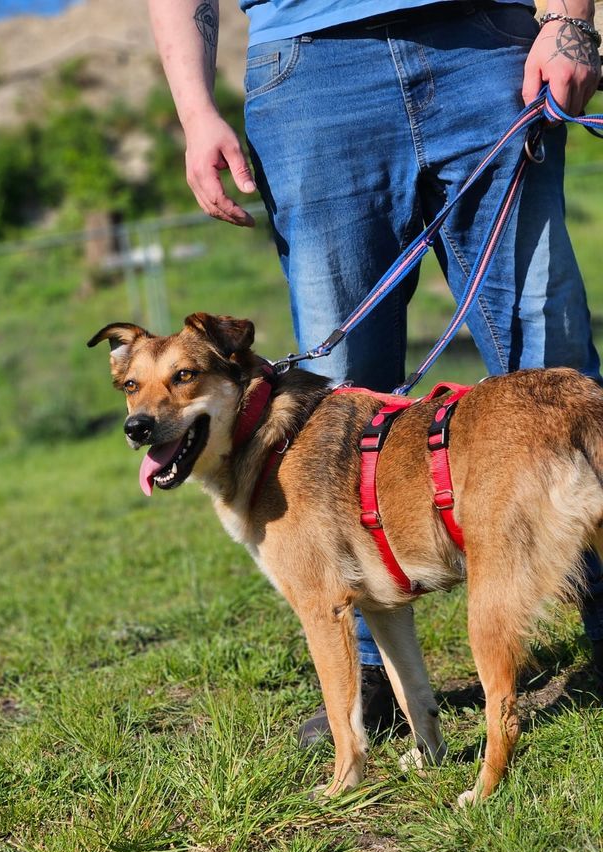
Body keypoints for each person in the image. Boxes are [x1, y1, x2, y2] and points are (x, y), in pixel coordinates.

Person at [146, 0, 603, 740]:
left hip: (485, 42)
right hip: (309, 73)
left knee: (558, 378)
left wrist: (569, 22)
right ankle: (370, 674)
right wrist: (195, 110)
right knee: (334, 419)